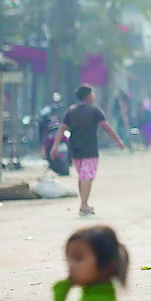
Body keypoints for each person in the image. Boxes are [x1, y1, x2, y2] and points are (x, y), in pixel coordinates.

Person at [52, 85, 125, 217]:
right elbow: (106, 128)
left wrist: (55, 146)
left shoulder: (71, 111)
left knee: (82, 176)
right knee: (87, 176)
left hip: (74, 148)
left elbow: (61, 129)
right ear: (89, 96)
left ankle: (84, 204)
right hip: (90, 148)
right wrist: (118, 141)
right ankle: (83, 205)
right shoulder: (95, 111)